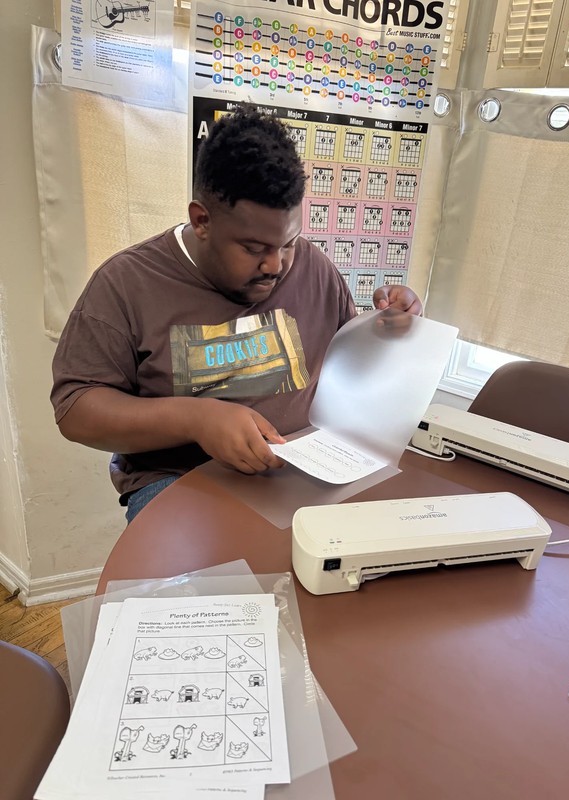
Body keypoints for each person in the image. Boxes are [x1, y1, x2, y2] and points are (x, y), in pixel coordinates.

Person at [51, 105, 422, 522]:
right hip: (179, 480)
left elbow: (348, 364)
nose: (275, 265)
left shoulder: (314, 268)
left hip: (309, 467)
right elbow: (76, 410)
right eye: (253, 248)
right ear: (202, 220)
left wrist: (389, 327)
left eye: (288, 243)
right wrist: (196, 419)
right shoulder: (126, 284)